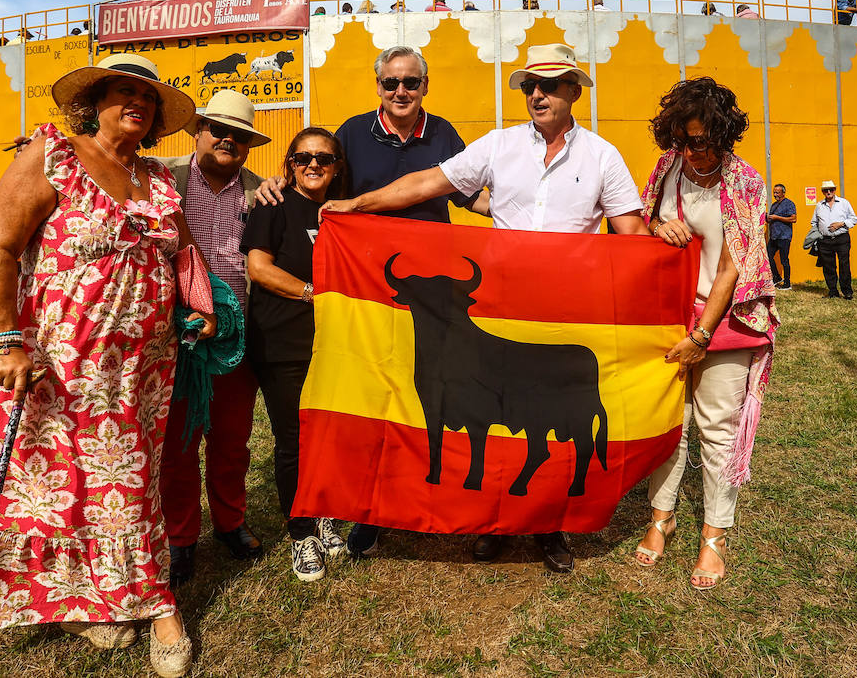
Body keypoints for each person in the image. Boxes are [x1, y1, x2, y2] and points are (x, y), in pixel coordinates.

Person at [321, 42, 646, 573]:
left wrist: (660, 253)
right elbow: (428, 182)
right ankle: (499, 522)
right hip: (504, 305)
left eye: (548, 85)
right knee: (500, 409)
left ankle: (550, 527)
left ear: (573, 91)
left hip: (566, 307)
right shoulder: (498, 145)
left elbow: (629, 232)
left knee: (550, 408)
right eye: (528, 87)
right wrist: (357, 203)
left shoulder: (603, 155)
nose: (536, 94)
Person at [0, 53, 211, 678]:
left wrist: (199, 304)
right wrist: (4, 339)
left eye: (147, 99)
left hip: (144, 366)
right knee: (55, 481)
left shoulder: (157, 179)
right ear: (90, 103)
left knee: (130, 480)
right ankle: (99, 600)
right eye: (123, 92)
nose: (138, 105)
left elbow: (183, 253)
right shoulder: (50, 156)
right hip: (64, 360)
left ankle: (149, 601)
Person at [254, 45, 489, 558]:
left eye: (411, 83)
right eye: (391, 83)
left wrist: (543, 208)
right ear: (377, 85)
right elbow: (314, 176)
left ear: (426, 85)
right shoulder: (353, 134)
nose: (400, 92)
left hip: (432, 297)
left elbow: (477, 196)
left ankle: (424, 498)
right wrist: (275, 179)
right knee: (374, 398)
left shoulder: (446, 134)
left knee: (426, 396)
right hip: (369, 294)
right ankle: (372, 511)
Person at [634, 77, 777, 591]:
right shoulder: (667, 167)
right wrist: (657, 229)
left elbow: (733, 268)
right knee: (670, 421)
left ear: (725, 137)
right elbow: (639, 224)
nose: (698, 151)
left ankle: (714, 536)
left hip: (728, 319)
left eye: (707, 141)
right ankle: (661, 518)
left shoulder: (745, 183)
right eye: (687, 139)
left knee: (716, 428)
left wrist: (702, 336)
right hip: (666, 316)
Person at [156, 91, 272, 585]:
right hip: (176, 337)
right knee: (178, 444)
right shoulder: (160, 177)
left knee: (231, 441)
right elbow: (98, 164)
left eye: (239, 134)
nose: (228, 139)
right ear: (196, 131)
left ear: (248, 145)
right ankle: (181, 538)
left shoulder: (261, 192)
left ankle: (230, 522)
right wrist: (51, 147)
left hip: (237, 338)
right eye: (218, 129)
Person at [241, 128, 350, 582]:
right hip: (282, 341)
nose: (313, 165)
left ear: (337, 167)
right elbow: (258, 267)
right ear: (290, 162)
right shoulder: (274, 204)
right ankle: (300, 531)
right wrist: (312, 293)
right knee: (293, 439)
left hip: (336, 343)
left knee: (329, 434)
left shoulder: (344, 212)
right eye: (303, 157)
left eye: (324, 158)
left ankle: (324, 515)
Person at [812, 181, 857, 298]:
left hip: (841, 239)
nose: (828, 192)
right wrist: (817, 235)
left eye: (831, 189)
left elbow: (854, 219)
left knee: (844, 265)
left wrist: (841, 224)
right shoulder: (819, 205)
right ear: (822, 191)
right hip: (825, 241)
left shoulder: (844, 203)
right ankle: (833, 291)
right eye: (826, 190)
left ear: (835, 190)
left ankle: (847, 291)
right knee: (828, 266)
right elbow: (814, 222)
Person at [767, 183, 796, 289]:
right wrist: (768, 218)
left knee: (784, 260)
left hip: (784, 237)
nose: (775, 194)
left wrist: (777, 217)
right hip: (774, 237)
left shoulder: (789, 204)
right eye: (774, 192)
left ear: (783, 193)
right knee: (767, 257)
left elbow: (793, 219)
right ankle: (777, 277)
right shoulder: (774, 205)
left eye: (777, 192)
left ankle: (787, 284)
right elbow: (772, 219)